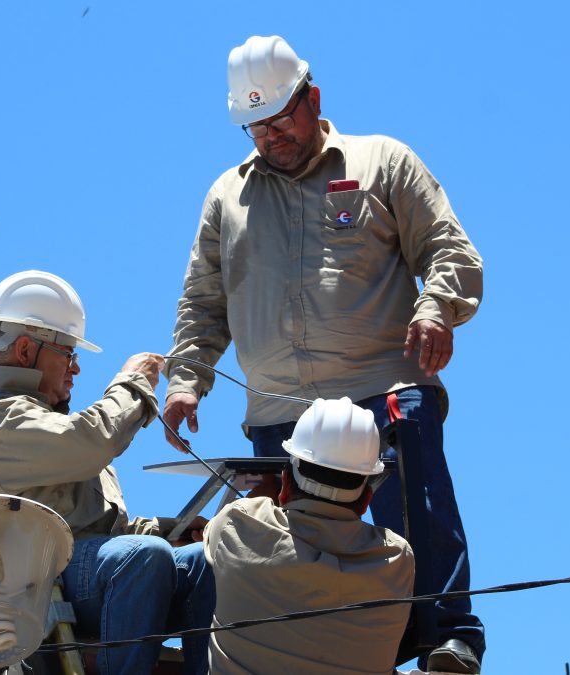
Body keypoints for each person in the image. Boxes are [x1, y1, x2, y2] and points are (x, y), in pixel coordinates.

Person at [162, 35, 484, 672]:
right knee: (291, 566)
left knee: (414, 519)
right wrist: (186, 380)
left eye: (281, 118)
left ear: (312, 99)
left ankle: (445, 639)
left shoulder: (382, 160)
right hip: (280, 415)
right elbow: (203, 303)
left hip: (382, 390)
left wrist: (435, 309)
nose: (271, 136)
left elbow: (451, 252)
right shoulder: (227, 197)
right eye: (255, 126)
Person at [0, 270, 214, 675]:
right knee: (140, 558)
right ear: (25, 351)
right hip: (42, 585)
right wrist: (134, 383)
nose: (75, 369)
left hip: (93, 576)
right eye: (68, 353)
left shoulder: (54, 427)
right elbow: (92, 442)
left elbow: (105, 531)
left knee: (205, 560)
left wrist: (171, 530)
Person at [202, 397, 414, 674]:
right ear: (366, 500)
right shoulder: (397, 558)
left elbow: (210, 535)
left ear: (285, 483)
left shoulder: (239, 522)